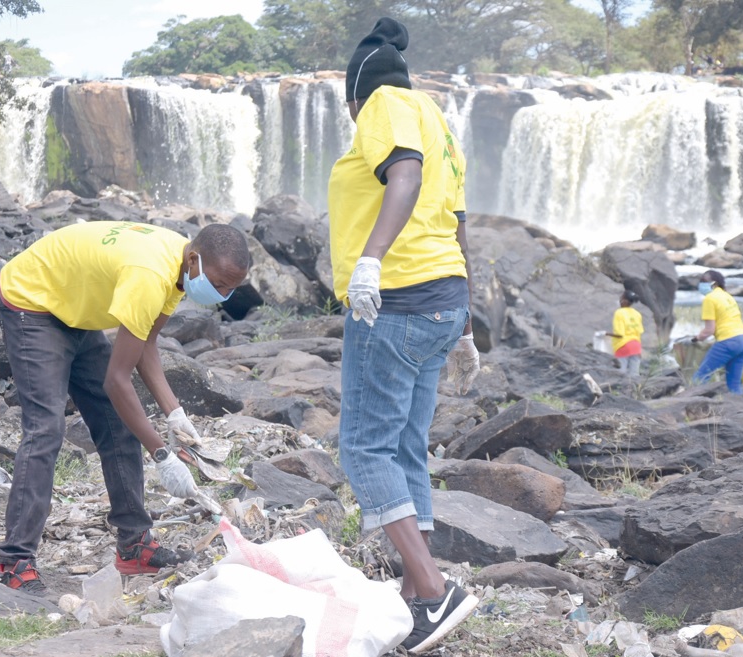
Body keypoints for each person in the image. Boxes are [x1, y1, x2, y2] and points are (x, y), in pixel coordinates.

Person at [328, 17, 480, 655]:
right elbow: (457, 219)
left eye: (349, 109)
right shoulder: (437, 118)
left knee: (365, 451)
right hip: (442, 298)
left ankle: (432, 586)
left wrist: (370, 260)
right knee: (408, 445)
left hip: (397, 300)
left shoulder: (384, 105)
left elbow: (406, 178)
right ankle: (422, 598)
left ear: (358, 96)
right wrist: (467, 321)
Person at [0, 221, 250, 594]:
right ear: (195, 259)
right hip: (32, 301)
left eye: (231, 288)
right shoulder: (149, 274)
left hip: (73, 305)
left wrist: (175, 415)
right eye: (220, 283)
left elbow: (146, 344)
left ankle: (134, 546)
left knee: (118, 423)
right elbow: (117, 380)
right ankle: (15, 561)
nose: (223, 294)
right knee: (46, 429)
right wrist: (162, 454)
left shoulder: (180, 270)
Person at [691, 270, 743, 395]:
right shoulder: (727, 296)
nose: (701, 284)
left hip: (728, 340)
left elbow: (709, 330)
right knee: (734, 384)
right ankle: (739, 411)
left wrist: (696, 338)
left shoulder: (710, 299)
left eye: (704, 281)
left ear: (714, 283)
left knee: (699, 378)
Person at [606, 290, 644, 376]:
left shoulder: (619, 313)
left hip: (623, 345)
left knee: (621, 374)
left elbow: (620, 334)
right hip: (636, 346)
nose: (619, 301)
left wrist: (606, 334)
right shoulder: (637, 314)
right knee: (634, 375)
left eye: (621, 298)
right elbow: (639, 332)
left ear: (624, 301)